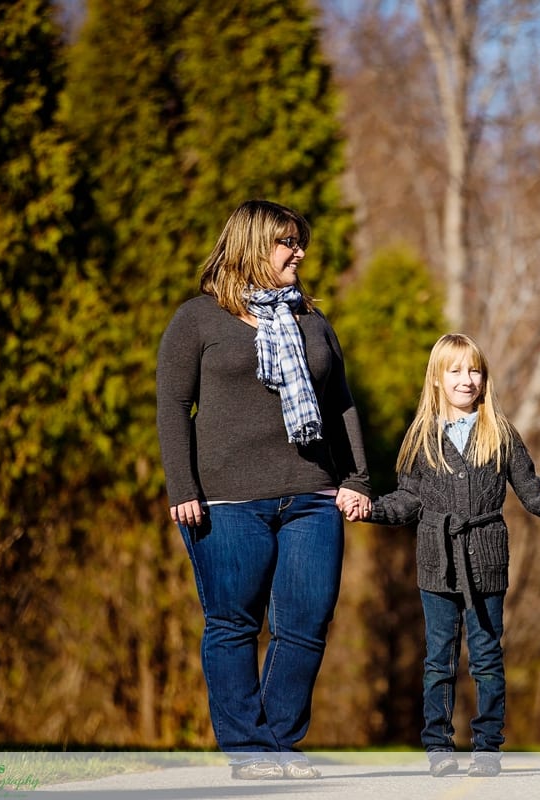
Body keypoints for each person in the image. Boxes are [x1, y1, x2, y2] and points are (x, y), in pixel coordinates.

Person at [156, 199, 372, 781]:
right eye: (286, 242)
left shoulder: (311, 321)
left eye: (299, 241)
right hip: (225, 501)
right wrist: (183, 485)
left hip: (312, 494)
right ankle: (249, 752)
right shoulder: (198, 320)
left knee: (307, 622)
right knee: (233, 624)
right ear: (252, 246)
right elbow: (174, 407)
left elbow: (342, 402)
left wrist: (355, 479)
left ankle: (277, 745)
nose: (298, 252)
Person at [344, 333, 540, 778]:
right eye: (456, 371)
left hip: (487, 563)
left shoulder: (500, 434)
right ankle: (439, 747)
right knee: (439, 658)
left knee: (487, 657)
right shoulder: (420, 439)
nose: (467, 380)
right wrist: (369, 509)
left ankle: (487, 747)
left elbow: (532, 492)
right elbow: (407, 500)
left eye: (474, 371)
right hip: (437, 562)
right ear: (437, 379)